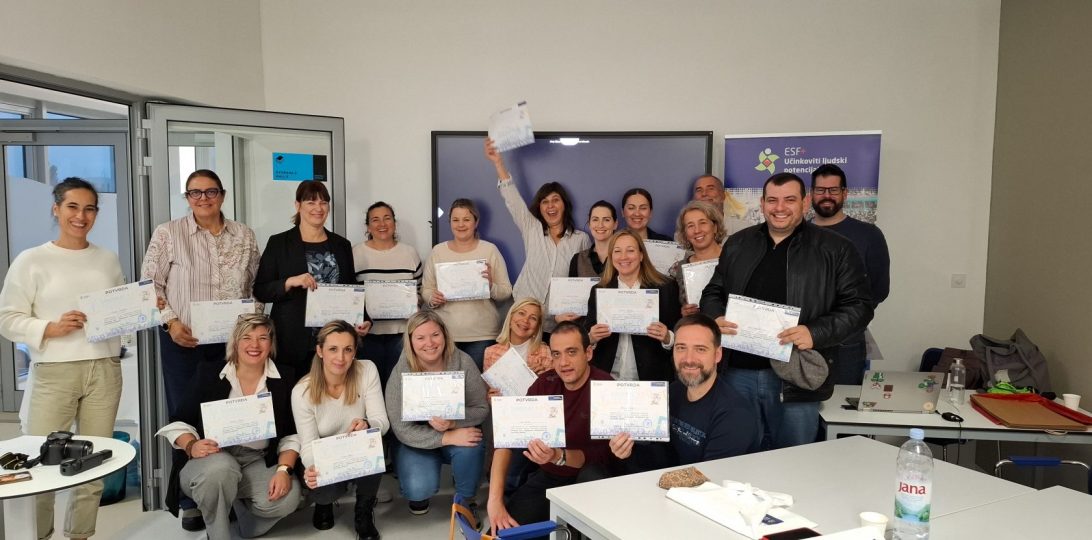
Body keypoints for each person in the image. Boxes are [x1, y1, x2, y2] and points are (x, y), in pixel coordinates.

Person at [700, 173, 873, 449]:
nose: (779, 208)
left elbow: (860, 306)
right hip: (737, 373)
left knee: (794, 458)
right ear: (762, 203)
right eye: (772, 200)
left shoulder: (836, 248)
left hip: (795, 377)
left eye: (789, 200)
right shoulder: (738, 243)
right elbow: (713, 292)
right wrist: (715, 317)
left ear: (805, 202)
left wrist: (815, 332)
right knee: (737, 455)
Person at [0, 178, 125, 540]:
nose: (81, 216)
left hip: (104, 369)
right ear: (56, 209)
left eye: (89, 209)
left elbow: (117, 312)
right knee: (40, 462)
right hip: (54, 372)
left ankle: (80, 535)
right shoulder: (32, 260)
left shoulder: (107, 259)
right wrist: (49, 328)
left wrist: (143, 309)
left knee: (94, 463)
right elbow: (7, 319)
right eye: (72, 207)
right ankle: (38, 535)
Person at [157, 314, 301, 540]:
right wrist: (192, 445)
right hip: (212, 460)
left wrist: (284, 471)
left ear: (271, 344)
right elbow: (178, 422)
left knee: (288, 498)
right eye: (247, 338)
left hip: (257, 459)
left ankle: (242, 516)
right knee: (221, 470)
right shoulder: (209, 373)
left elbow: (291, 434)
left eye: (263, 338)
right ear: (235, 342)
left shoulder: (286, 377)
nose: (255, 345)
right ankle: (218, 535)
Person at [141, 169, 261, 420]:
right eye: (195, 192)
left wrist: (251, 331)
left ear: (222, 196)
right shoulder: (168, 233)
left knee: (229, 412)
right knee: (186, 412)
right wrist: (171, 323)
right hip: (184, 339)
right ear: (187, 197)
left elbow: (256, 285)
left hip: (232, 344)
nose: (203, 198)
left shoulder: (244, 235)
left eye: (211, 192)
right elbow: (149, 286)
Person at [487, 322, 614, 536]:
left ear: (588, 353)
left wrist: (559, 456)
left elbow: (603, 456)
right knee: (500, 534)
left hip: (594, 480)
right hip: (551, 476)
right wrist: (494, 501)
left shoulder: (606, 386)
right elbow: (505, 439)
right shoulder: (546, 383)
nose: (563, 363)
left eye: (571, 352)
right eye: (556, 354)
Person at [608, 314, 760, 472]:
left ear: (717, 355)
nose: (688, 359)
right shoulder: (673, 392)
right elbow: (659, 455)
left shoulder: (735, 414)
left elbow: (710, 477)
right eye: (681, 348)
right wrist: (628, 451)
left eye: (700, 349)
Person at [254, 180, 370, 381]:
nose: (318, 208)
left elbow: (351, 287)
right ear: (297, 205)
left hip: (334, 342)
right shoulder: (279, 243)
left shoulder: (341, 245)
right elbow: (261, 290)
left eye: (323, 202)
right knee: (294, 394)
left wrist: (363, 319)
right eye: (311, 202)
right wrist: (289, 282)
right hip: (294, 340)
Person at [291, 320, 388, 539]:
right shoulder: (302, 391)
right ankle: (324, 504)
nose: (341, 358)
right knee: (324, 491)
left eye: (348, 349)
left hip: (356, 448)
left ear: (355, 351)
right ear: (320, 351)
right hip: (326, 455)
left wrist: (368, 425)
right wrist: (312, 467)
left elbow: (382, 421)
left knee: (375, 441)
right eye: (333, 349)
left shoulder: (367, 370)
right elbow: (307, 444)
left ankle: (364, 511)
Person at [385, 310, 489, 516]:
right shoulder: (401, 370)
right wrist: (446, 437)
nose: (429, 343)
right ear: (410, 341)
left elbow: (481, 408)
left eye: (435, 335)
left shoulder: (463, 361)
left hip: (457, 432)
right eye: (420, 338)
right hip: (416, 439)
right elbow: (400, 427)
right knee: (417, 489)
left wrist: (453, 424)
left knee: (472, 443)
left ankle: (466, 499)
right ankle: (419, 491)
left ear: (445, 335)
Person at [484, 139, 590, 334]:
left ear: (564, 205)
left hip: (559, 323)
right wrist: (498, 163)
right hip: (524, 318)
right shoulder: (532, 228)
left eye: (555, 200)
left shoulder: (581, 239)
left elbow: (585, 281)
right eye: (544, 202)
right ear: (539, 208)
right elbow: (512, 200)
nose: (550, 206)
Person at [810, 164, 891, 385]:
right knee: (801, 403)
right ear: (811, 194)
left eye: (833, 190)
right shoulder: (798, 234)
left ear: (844, 193)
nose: (827, 196)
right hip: (803, 339)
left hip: (847, 343)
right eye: (820, 190)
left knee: (842, 402)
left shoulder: (869, 235)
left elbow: (878, 290)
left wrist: (846, 320)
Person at [421, 198, 512, 370]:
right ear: (450, 223)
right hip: (445, 334)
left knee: (476, 385)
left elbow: (506, 291)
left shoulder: (489, 250)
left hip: (482, 335)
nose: (461, 224)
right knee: (449, 385)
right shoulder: (438, 251)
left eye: (466, 219)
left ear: (476, 222)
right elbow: (426, 289)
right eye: (455, 220)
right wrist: (433, 298)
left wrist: (490, 286)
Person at [583, 231, 682, 382]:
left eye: (630, 250)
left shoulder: (666, 288)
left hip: (652, 378)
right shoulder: (599, 290)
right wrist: (592, 338)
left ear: (641, 255)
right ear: (611, 256)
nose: (623, 257)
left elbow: (679, 334)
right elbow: (585, 338)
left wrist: (668, 337)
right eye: (617, 251)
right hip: (607, 377)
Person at [353, 201, 422, 390]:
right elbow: (351, 294)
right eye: (375, 220)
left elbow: (419, 290)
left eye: (387, 218)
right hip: (367, 336)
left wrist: (413, 302)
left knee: (399, 387)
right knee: (370, 388)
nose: (382, 224)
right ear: (368, 226)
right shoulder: (355, 254)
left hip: (402, 334)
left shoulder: (409, 253)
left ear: (394, 223)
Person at [667, 201, 728, 317]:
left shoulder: (734, 261)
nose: (697, 230)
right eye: (690, 226)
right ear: (685, 234)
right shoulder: (677, 269)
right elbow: (670, 311)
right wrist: (682, 313)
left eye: (703, 223)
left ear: (715, 227)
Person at [483, 298, 553, 385]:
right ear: (510, 317)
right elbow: (488, 388)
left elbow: (553, 389)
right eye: (521, 313)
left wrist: (542, 377)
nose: (525, 320)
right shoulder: (490, 352)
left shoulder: (545, 352)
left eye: (533, 318)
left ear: (537, 328)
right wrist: (490, 392)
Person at [567, 200, 618, 279]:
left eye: (606, 220)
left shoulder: (624, 257)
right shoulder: (577, 259)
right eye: (595, 219)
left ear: (615, 224)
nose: (600, 225)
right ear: (589, 224)